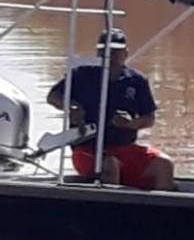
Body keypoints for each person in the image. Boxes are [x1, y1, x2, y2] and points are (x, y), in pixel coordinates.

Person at [46, 28, 175, 190]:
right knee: (110, 165)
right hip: (87, 148)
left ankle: (159, 211)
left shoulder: (136, 80)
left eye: (115, 52)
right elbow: (53, 96)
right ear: (98, 52)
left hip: (125, 147)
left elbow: (149, 118)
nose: (110, 56)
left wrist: (131, 123)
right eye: (105, 51)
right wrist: (70, 105)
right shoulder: (82, 74)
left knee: (164, 164)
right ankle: (111, 211)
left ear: (125, 54)